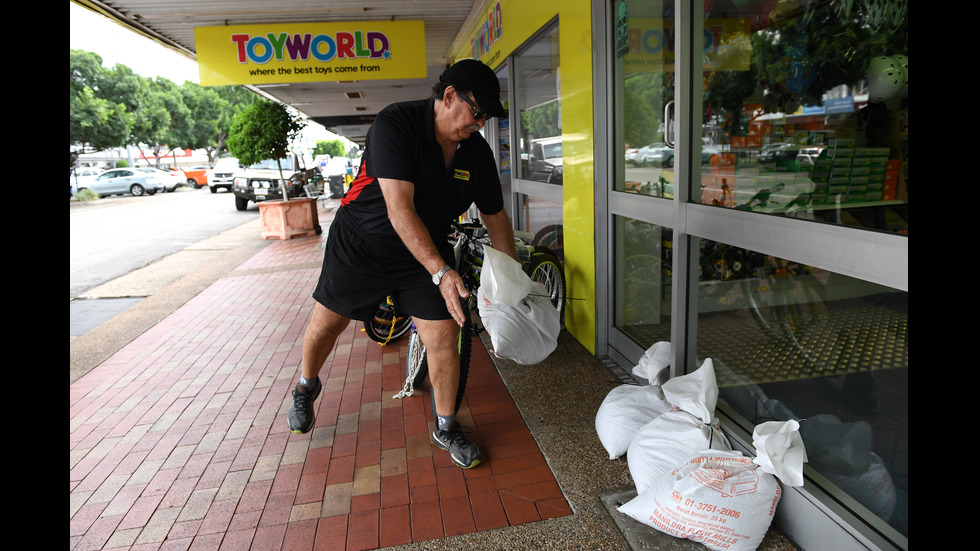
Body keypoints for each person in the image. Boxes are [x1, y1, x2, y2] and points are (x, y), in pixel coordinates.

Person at [287, 59, 517, 470]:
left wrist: (512, 282)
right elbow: (399, 210)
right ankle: (306, 386)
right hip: (363, 242)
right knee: (329, 323)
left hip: (421, 250)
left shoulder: (475, 153)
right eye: (477, 113)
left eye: (486, 117)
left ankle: (446, 425)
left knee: (445, 333)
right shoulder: (396, 124)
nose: (480, 123)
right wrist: (443, 272)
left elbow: (495, 217)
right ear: (449, 97)